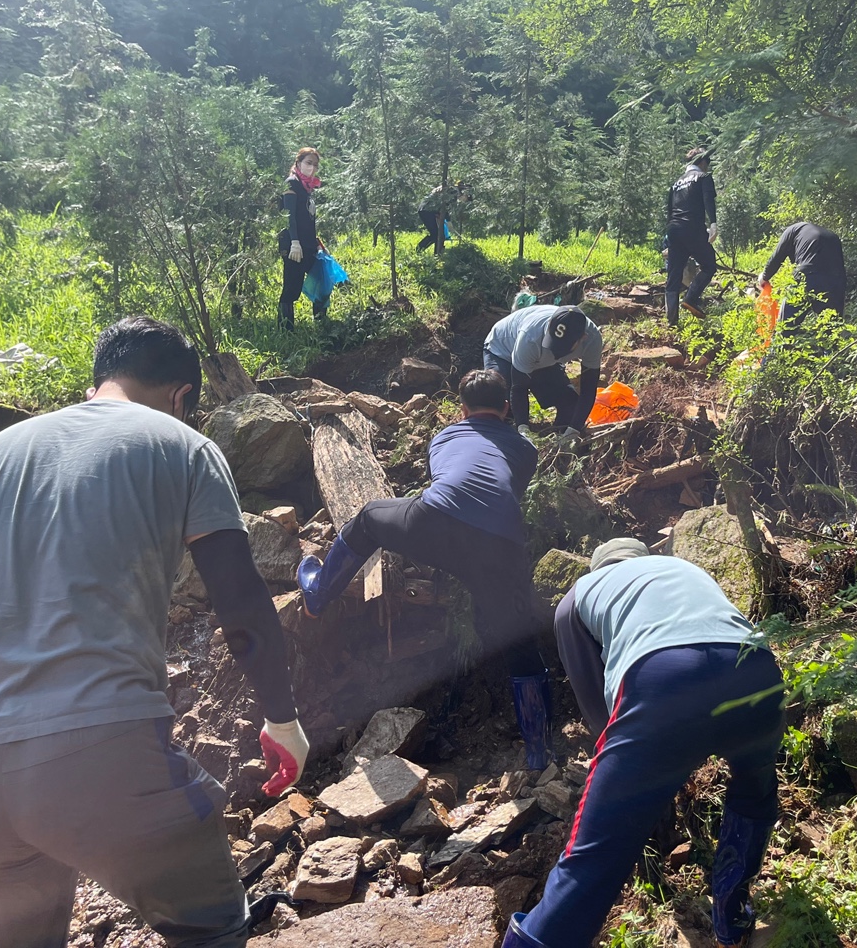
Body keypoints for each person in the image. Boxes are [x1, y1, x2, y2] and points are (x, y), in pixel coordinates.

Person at [0, 316, 309, 947]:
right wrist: (281, 719)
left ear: (96, 382)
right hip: (102, 755)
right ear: (181, 396)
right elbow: (241, 601)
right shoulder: (183, 445)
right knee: (212, 928)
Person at [504, 540, 785, 948]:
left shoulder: (578, 596)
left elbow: (598, 711)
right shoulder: (683, 569)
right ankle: (732, 918)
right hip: (756, 673)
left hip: (664, 679)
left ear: (598, 568)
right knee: (754, 790)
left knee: (594, 858)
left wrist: (637, 785)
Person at [297, 369, 551, 768]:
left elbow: (448, 485)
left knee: (369, 517)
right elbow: (503, 494)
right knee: (520, 642)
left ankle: (318, 595)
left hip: (435, 522)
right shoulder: (525, 449)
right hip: (500, 546)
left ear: (462, 410)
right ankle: (538, 750)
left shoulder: (445, 437)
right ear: (506, 408)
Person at [482, 304, 603, 447]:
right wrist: (523, 429)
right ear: (550, 325)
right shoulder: (530, 337)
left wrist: (573, 430)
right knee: (502, 407)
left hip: (544, 362)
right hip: (502, 351)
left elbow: (589, 389)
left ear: (582, 338)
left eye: (562, 348)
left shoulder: (592, 340)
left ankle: (557, 440)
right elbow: (519, 387)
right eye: (553, 344)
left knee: (571, 406)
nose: (555, 351)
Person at [663, 148, 718, 323]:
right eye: (707, 162)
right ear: (701, 161)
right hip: (692, 228)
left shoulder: (675, 184)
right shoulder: (703, 177)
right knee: (709, 265)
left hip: (674, 229)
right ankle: (690, 298)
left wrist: (669, 238)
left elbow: (670, 211)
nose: (707, 166)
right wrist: (713, 223)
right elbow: (708, 200)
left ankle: (671, 322)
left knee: (673, 276)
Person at [278, 147, 330, 329]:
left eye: (315, 165)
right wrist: (294, 242)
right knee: (291, 288)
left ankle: (322, 326)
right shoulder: (291, 184)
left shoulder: (307, 187)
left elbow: (307, 220)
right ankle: (286, 331)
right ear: (298, 163)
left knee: (322, 281)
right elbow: (289, 216)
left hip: (309, 245)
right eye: (308, 163)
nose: (312, 168)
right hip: (293, 245)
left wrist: (318, 244)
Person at [758, 220, 847, 326]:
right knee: (832, 327)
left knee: (786, 327)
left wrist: (764, 277)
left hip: (807, 275)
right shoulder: (831, 236)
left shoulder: (791, 231)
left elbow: (777, 258)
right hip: (836, 280)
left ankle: (785, 337)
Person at [416, 180, 471, 253]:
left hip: (428, 210)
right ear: (464, 193)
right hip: (427, 210)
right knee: (437, 235)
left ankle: (434, 253)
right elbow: (444, 209)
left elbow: (441, 208)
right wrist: (449, 222)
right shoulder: (453, 192)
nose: (465, 201)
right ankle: (423, 251)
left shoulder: (452, 190)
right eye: (467, 199)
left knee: (439, 235)